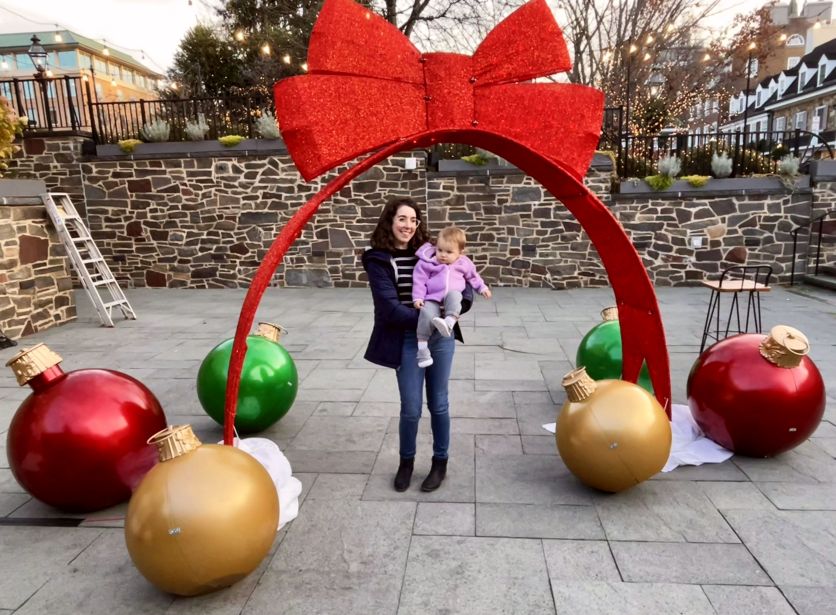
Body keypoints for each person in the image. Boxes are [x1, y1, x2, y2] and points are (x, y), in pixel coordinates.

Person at [362, 196, 473, 493]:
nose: (408, 225)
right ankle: (406, 463)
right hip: (409, 338)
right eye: (402, 219)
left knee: (439, 403)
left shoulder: (430, 250)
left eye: (413, 220)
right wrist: (430, 318)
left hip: (442, 337)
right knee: (411, 408)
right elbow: (389, 308)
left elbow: (464, 281)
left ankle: (440, 463)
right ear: (390, 221)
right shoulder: (377, 258)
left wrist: (456, 308)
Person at [412, 226, 492, 368]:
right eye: (440, 250)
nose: (443, 255)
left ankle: (449, 322)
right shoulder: (427, 263)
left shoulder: (464, 263)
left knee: (455, 296)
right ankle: (423, 350)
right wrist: (418, 297)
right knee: (425, 314)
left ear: (460, 252)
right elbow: (419, 281)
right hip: (432, 298)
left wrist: (482, 288)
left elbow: (473, 276)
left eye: (449, 252)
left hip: (451, 297)